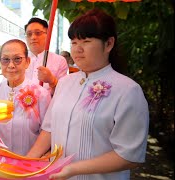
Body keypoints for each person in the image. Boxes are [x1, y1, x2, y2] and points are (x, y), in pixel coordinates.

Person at [27, 8, 149, 180]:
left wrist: (73, 169)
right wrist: (26, 163)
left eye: (85, 41)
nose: (77, 49)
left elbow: (129, 155)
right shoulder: (64, 83)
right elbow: (49, 129)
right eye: (74, 42)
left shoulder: (128, 91)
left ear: (109, 44)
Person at [0, 39, 51, 156]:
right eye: (5, 60)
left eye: (17, 59)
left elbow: (48, 132)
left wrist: (30, 160)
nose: (11, 65)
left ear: (27, 62)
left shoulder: (41, 95)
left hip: (29, 164)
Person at [24, 17, 68, 95]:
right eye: (29, 34)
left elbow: (64, 93)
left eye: (37, 33)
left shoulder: (59, 61)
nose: (33, 37)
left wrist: (52, 80)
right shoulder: (19, 59)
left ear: (48, 34)